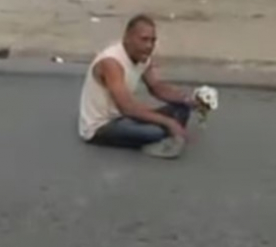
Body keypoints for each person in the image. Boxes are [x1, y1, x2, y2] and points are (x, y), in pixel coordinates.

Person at [78, 15, 203, 159]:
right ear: (127, 38)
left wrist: (188, 99)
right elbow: (127, 107)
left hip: (124, 117)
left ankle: (164, 135)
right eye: (144, 39)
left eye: (153, 40)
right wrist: (169, 122)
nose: (149, 46)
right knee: (155, 132)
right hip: (102, 125)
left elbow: (156, 87)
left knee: (181, 108)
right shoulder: (111, 63)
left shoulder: (142, 57)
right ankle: (161, 138)